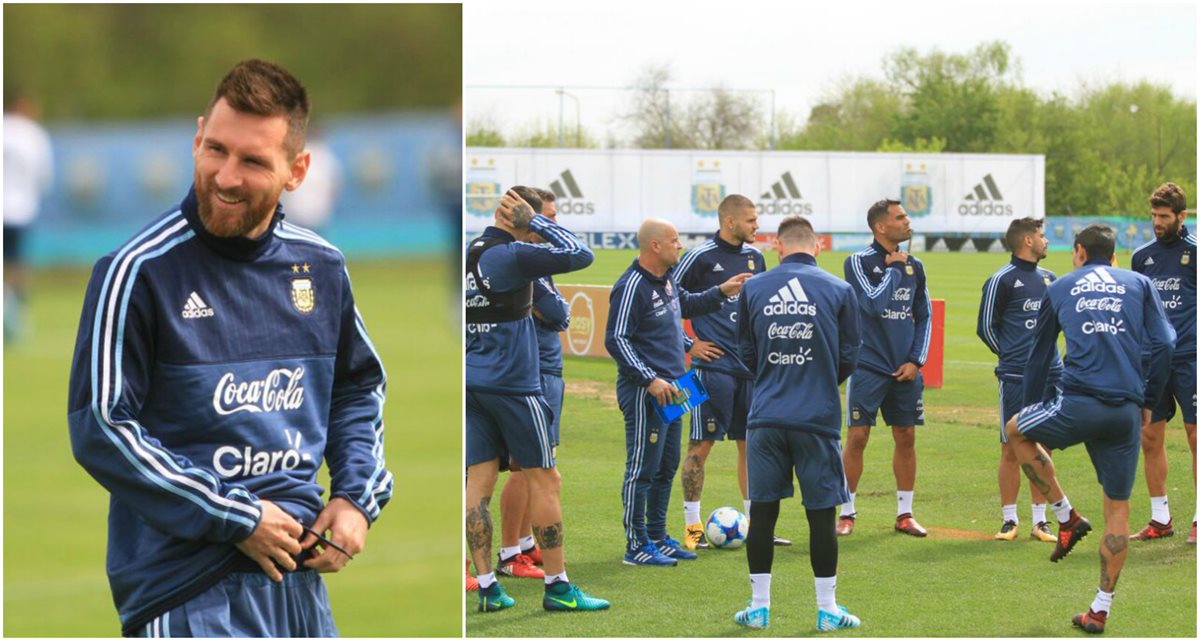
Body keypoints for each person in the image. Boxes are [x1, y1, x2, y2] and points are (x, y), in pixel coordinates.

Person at [66, 59, 391, 637]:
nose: (225, 176)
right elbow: (102, 426)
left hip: (296, 580)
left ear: (297, 170)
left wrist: (355, 498)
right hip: (186, 587)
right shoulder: (135, 272)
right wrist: (235, 517)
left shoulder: (320, 267)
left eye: (252, 161)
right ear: (196, 136)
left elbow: (357, 385)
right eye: (214, 149)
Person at [1007, 224, 1174, 634]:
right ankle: (1100, 609)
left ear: (1079, 251)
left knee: (1015, 431)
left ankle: (1065, 516)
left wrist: (1031, 407)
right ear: (1114, 255)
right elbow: (1166, 343)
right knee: (1118, 508)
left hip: (1077, 402)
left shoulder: (1060, 286)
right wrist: (1149, 401)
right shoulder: (1138, 283)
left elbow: (1040, 355)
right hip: (1125, 410)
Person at [465, 187, 609, 612]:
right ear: (520, 216)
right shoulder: (513, 255)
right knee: (546, 479)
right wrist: (537, 222)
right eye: (538, 219)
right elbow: (581, 255)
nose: (544, 230)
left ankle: (488, 587)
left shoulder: (470, 252)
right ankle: (559, 587)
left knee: (479, 481)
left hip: (472, 378)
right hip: (514, 383)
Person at [732, 216, 862, 631]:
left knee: (763, 514)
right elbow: (849, 357)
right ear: (818, 246)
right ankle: (827, 611)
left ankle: (758, 608)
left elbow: (745, 352)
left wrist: (774, 376)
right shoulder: (840, 290)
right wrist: (819, 380)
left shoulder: (754, 287)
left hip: (766, 417)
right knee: (821, 516)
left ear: (777, 246)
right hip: (817, 418)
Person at [605, 218, 750, 566]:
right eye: (673, 241)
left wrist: (721, 292)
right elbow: (616, 339)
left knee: (667, 464)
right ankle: (635, 544)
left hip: (678, 387)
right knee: (642, 466)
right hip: (649, 391)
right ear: (655, 246)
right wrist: (649, 379)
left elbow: (684, 307)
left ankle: (658, 535)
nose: (679, 246)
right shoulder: (631, 285)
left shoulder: (666, 279)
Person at [673, 194, 790, 549]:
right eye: (752, 220)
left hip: (750, 370)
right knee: (699, 445)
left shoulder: (756, 258)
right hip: (709, 369)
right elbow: (664, 299)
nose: (757, 226)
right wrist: (687, 344)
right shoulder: (699, 257)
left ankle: (759, 528)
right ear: (730, 222)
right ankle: (693, 533)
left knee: (753, 446)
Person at [839, 199, 931, 537]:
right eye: (901, 217)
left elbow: (924, 315)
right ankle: (847, 512)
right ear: (881, 227)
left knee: (906, 436)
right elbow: (873, 304)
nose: (908, 221)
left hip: (904, 368)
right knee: (858, 437)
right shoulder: (857, 262)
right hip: (867, 366)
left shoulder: (915, 266)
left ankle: (904, 514)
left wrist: (915, 360)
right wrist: (894, 269)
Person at [493, 186, 568, 581]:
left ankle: (523, 544)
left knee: (535, 466)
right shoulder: (519, 261)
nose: (554, 225)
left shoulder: (539, 263)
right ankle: (509, 553)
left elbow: (557, 313)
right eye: (547, 218)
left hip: (547, 371)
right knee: (526, 468)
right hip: (532, 372)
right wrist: (557, 311)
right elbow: (557, 313)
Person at [976, 217, 1062, 542]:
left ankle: (1041, 521)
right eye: (1042, 236)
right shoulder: (1001, 280)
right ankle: (1009, 520)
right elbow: (985, 327)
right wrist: (1013, 358)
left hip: (1051, 375)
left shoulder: (1051, 279)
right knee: (1010, 448)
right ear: (1027, 240)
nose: (1046, 241)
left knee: (1044, 446)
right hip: (1015, 378)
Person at [1130, 182, 1197, 544]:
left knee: (1195, 435)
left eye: (1164, 216)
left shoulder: (1196, 252)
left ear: (1182, 216)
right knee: (1150, 435)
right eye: (1154, 216)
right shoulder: (1142, 257)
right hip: (1153, 361)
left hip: (1191, 358)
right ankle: (1160, 518)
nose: (1157, 222)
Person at [3, 88, 54, 342]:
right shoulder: (35, 135)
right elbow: (43, 176)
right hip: (21, 208)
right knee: (17, 263)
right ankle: (15, 314)